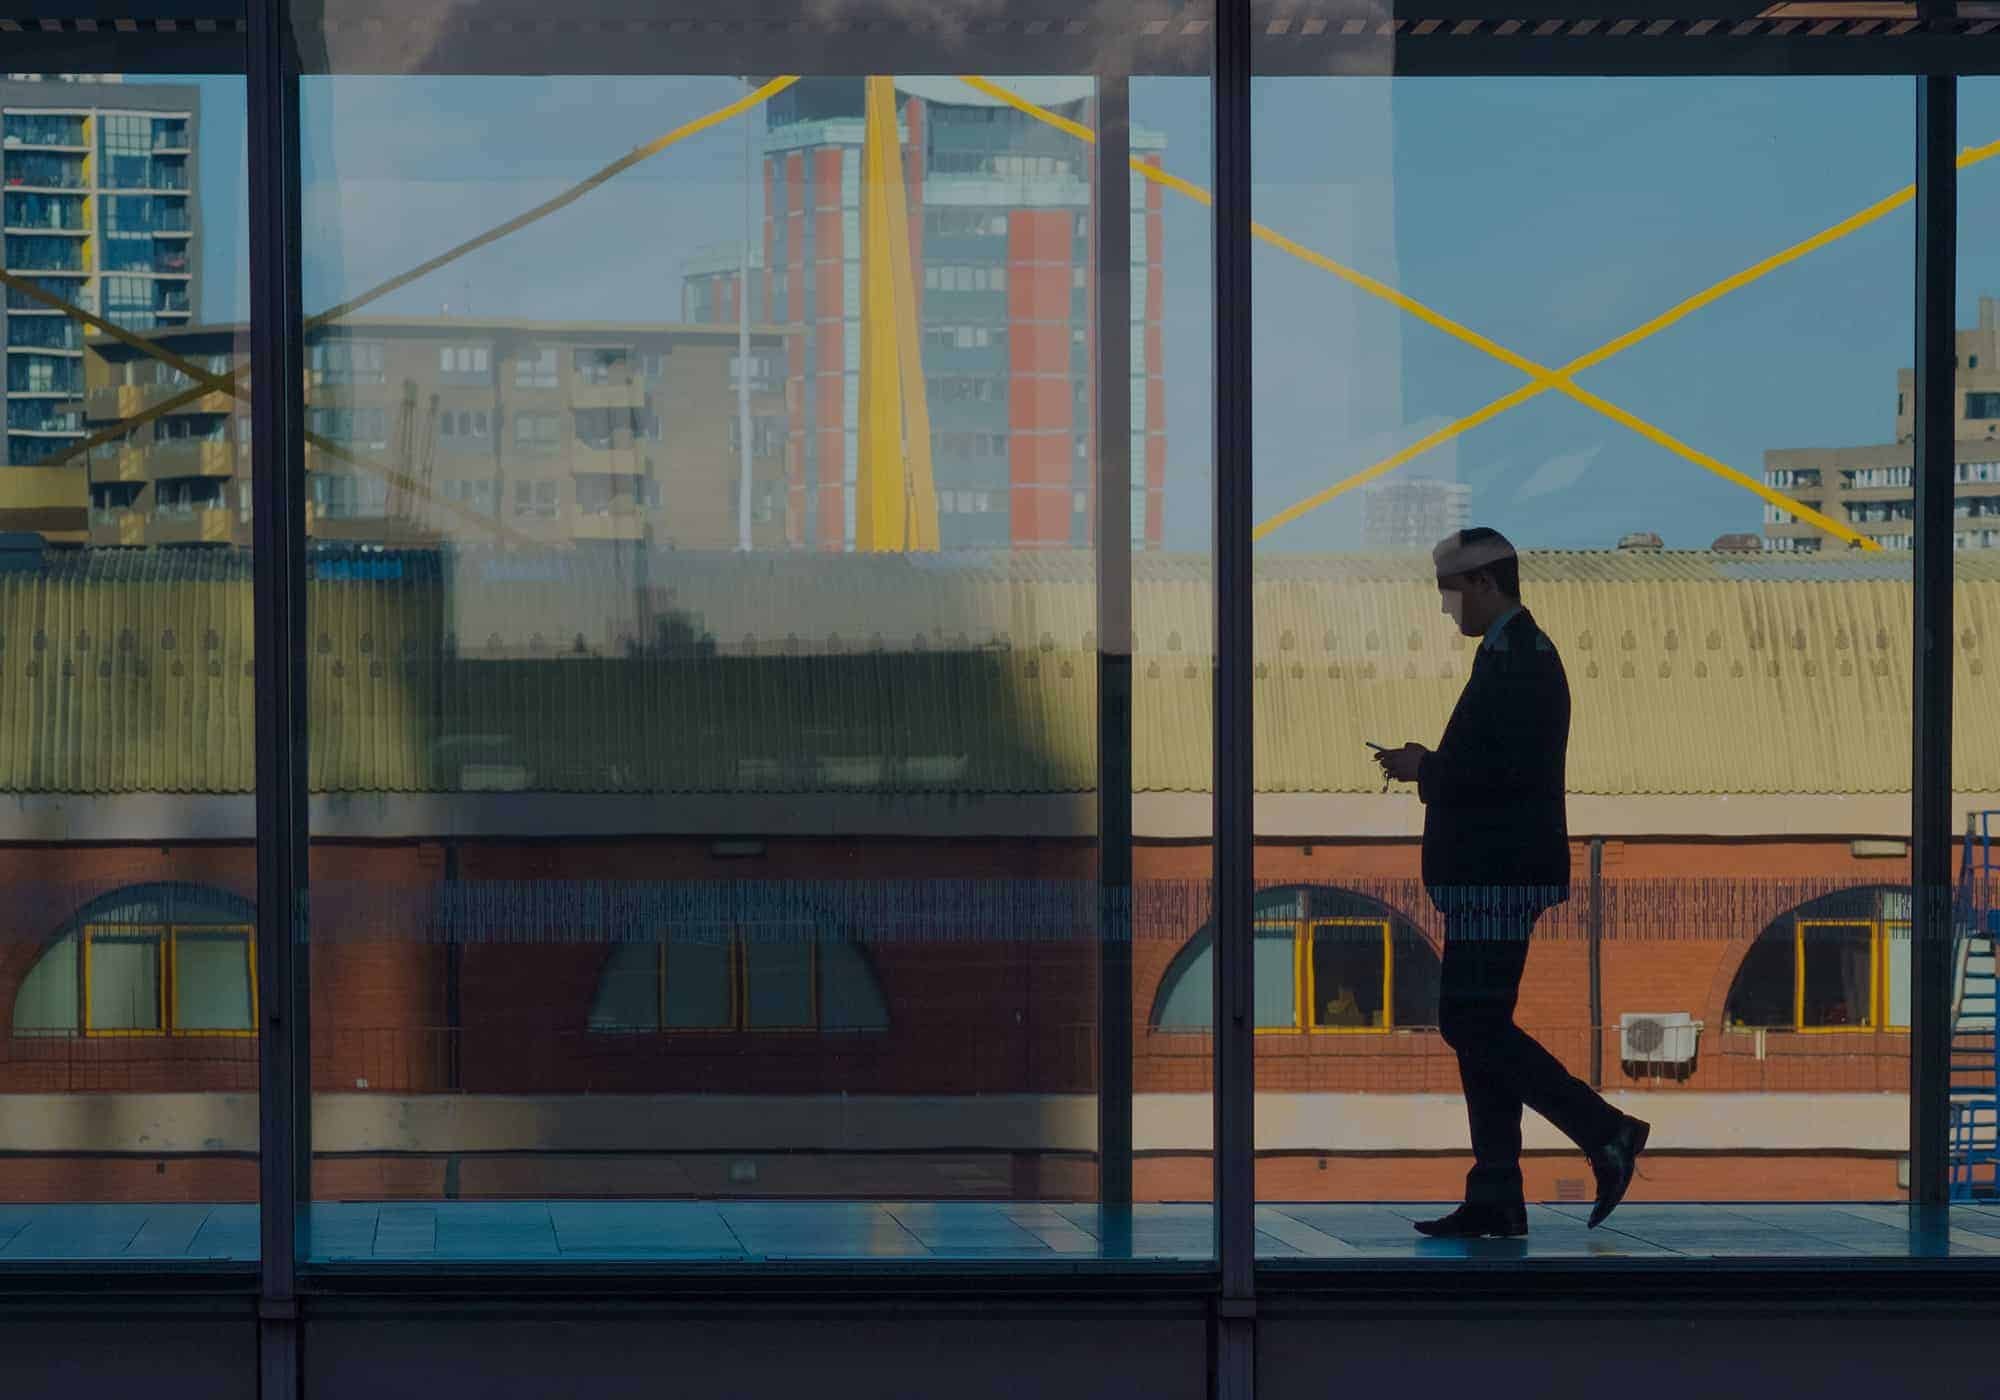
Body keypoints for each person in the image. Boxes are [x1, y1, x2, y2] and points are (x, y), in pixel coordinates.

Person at [1374, 527, 1649, 1238]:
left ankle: (1606, 1131)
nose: (1447, 609)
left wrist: (1423, 768)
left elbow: (1503, 776)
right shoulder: (1511, 655)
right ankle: (1496, 1190)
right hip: (1492, 876)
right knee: (1478, 1026)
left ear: (1486, 585)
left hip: (1497, 877)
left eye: (1452, 592)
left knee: (1470, 1022)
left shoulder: (1522, 659)